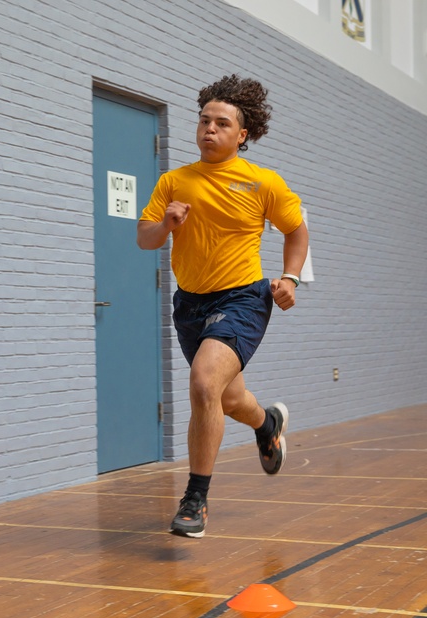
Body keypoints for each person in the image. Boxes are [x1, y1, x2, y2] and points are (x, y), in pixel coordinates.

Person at [136, 74, 309, 538]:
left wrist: (290, 278)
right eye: (204, 121)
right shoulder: (174, 182)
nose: (209, 130)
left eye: (221, 123)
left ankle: (195, 499)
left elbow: (296, 231)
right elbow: (143, 238)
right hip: (190, 303)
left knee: (202, 381)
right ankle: (267, 422)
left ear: (242, 133)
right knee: (226, 397)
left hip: (242, 298)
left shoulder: (262, 182)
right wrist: (166, 225)